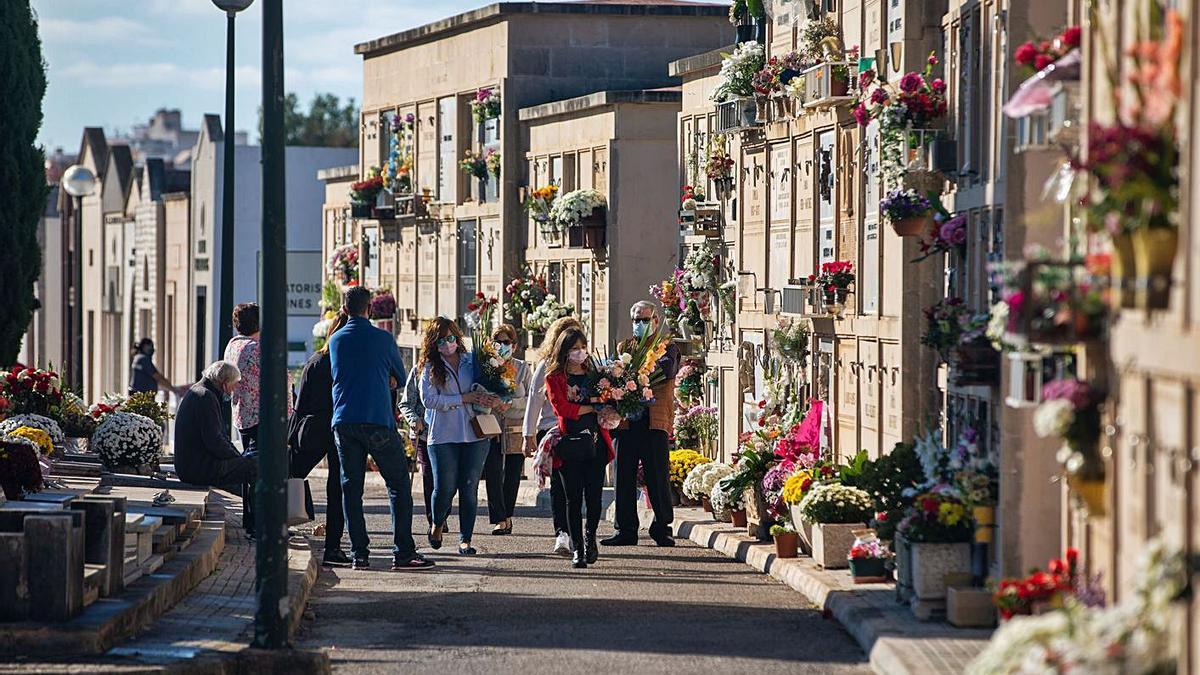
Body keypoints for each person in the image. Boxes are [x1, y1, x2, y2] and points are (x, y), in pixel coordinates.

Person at [329, 286, 433, 571]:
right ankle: (403, 552)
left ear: (345, 309)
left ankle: (359, 554)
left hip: (344, 421)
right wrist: (384, 377)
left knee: (351, 489)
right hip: (376, 419)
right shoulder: (383, 339)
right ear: (370, 309)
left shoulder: (336, 340)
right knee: (398, 485)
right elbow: (399, 377)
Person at [603, 300, 681, 548]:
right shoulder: (625, 346)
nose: (640, 324)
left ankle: (662, 527)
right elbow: (616, 375)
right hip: (628, 421)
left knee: (657, 475)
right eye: (636, 320)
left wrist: (631, 375)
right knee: (623, 475)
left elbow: (664, 372)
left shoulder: (667, 347)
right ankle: (626, 529)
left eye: (645, 319)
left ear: (656, 321)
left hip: (654, 420)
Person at [419, 317, 499, 556]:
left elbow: (490, 386)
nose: (447, 344)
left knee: (469, 486)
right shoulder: (430, 367)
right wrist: (462, 399)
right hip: (443, 435)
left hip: (475, 434)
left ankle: (465, 539)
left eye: (451, 338)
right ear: (434, 343)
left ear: (458, 337)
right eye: (442, 340)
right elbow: (429, 400)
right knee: (444, 487)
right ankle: (437, 523)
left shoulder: (471, 362)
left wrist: (492, 397)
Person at [544, 327, 614, 569]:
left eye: (583, 348)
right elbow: (563, 409)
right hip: (570, 443)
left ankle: (590, 537)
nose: (580, 353)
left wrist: (604, 405)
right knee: (573, 499)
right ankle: (577, 549)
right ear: (564, 351)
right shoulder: (554, 378)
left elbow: (608, 398)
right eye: (575, 349)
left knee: (594, 497)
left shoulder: (596, 373)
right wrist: (591, 407)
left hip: (596, 443)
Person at [288, 312, 350, 567]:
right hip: (342, 427)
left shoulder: (316, 361)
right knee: (337, 489)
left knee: (292, 474)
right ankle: (333, 547)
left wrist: (291, 436)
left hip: (313, 428)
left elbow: (300, 405)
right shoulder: (348, 363)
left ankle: (275, 522)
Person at [521, 316, 584, 555]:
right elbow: (534, 403)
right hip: (551, 428)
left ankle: (578, 533)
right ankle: (562, 533)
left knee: (578, 484)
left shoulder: (586, 366)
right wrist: (528, 436)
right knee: (560, 484)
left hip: (579, 427)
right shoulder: (546, 366)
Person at [174, 361, 257, 533]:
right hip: (199, 467)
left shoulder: (202, 392)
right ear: (224, 382)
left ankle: (255, 522)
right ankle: (258, 524)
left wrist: (238, 457)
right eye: (233, 385)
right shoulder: (205, 397)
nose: (233, 390)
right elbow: (215, 441)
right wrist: (238, 459)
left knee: (249, 466)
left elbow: (219, 437)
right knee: (256, 467)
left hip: (194, 464)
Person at [482, 324, 529, 535]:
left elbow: (531, 399)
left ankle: (508, 515)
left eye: (506, 342)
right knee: (492, 471)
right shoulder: (487, 366)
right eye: (498, 342)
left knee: (512, 473)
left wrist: (512, 403)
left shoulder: (522, 368)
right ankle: (499, 518)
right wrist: (490, 401)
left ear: (514, 345)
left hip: (514, 426)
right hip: (492, 424)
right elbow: (477, 391)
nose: (502, 346)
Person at [398, 364, 436, 529]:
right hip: (424, 433)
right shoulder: (419, 370)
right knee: (429, 474)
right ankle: (434, 519)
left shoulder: (459, 368)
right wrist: (414, 419)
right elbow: (405, 403)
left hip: (450, 435)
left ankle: (441, 511)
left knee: (448, 479)